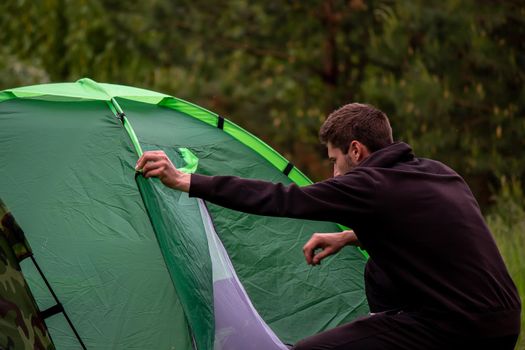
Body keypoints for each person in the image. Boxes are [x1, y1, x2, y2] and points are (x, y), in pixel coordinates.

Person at [135, 103, 521, 349]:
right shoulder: (438, 173)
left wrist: (187, 181)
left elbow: (282, 199)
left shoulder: (368, 184)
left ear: (357, 151)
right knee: (378, 268)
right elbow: (429, 228)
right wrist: (350, 235)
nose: (332, 172)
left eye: (334, 160)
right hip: (503, 323)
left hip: (455, 329)